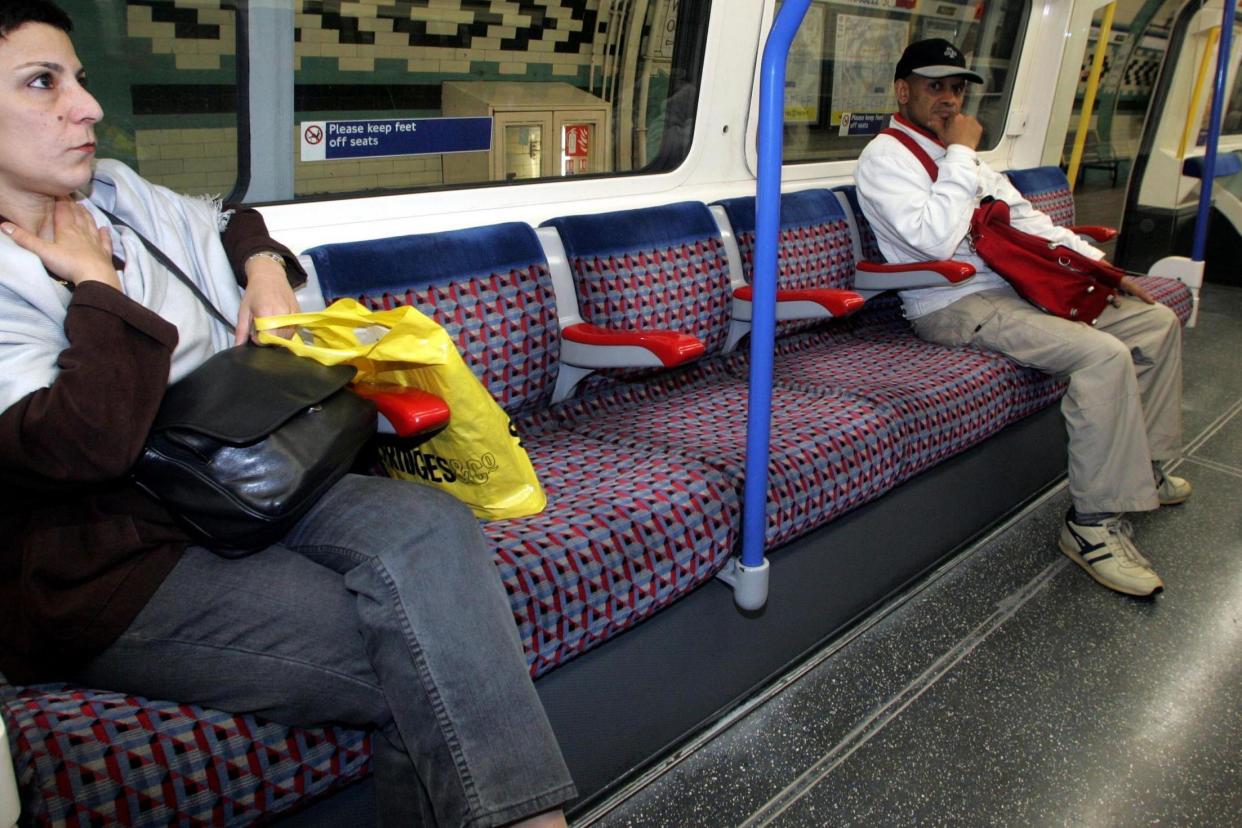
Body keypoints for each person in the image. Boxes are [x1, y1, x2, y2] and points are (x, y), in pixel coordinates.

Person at [0, 2, 575, 825]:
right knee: (425, 656)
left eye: (81, 80)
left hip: (244, 471)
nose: (87, 107)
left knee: (434, 529)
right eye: (42, 83)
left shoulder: (117, 195)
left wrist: (265, 268)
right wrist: (97, 288)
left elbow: (230, 221)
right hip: (111, 559)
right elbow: (81, 445)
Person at [856, 38, 1190, 598]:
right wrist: (961, 154)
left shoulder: (965, 158)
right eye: (934, 87)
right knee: (1100, 354)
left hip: (1015, 290)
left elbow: (1028, 221)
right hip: (952, 304)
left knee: (1154, 323)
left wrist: (1103, 271)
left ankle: (1144, 467)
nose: (949, 100)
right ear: (902, 91)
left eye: (957, 88)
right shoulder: (885, 159)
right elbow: (932, 241)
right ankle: (1091, 527)